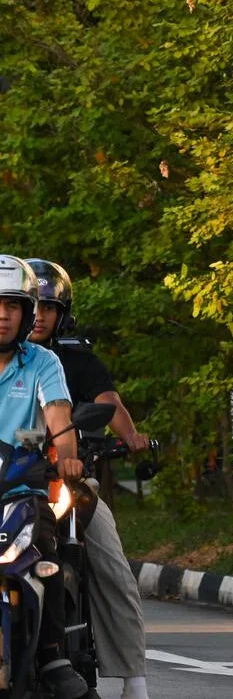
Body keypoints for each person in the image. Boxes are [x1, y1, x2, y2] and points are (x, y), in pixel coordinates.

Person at [27, 259, 151, 699]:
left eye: (49, 307)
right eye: (30, 305)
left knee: (110, 563)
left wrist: (132, 437)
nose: (38, 315)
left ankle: (133, 677)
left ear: (63, 313)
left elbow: (106, 402)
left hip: (64, 483)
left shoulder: (71, 359)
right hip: (8, 483)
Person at [0, 255, 89, 699]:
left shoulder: (43, 363)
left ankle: (52, 653)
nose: (1, 314)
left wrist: (68, 459)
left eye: (11, 306)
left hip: (19, 490)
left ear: (28, 311)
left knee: (45, 550)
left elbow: (59, 418)